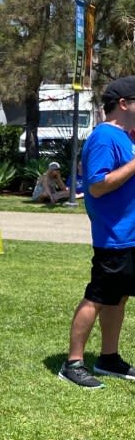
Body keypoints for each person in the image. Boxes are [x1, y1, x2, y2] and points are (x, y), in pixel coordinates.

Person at [59, 75, 135, 388]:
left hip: (129, 236)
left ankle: (108, 358)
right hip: (113, 237)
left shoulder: (126, 137)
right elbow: (98, 185)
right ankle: (73, 363)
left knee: (118, 299)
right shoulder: (104, 137)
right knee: (97, 298)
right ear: (124, 103)